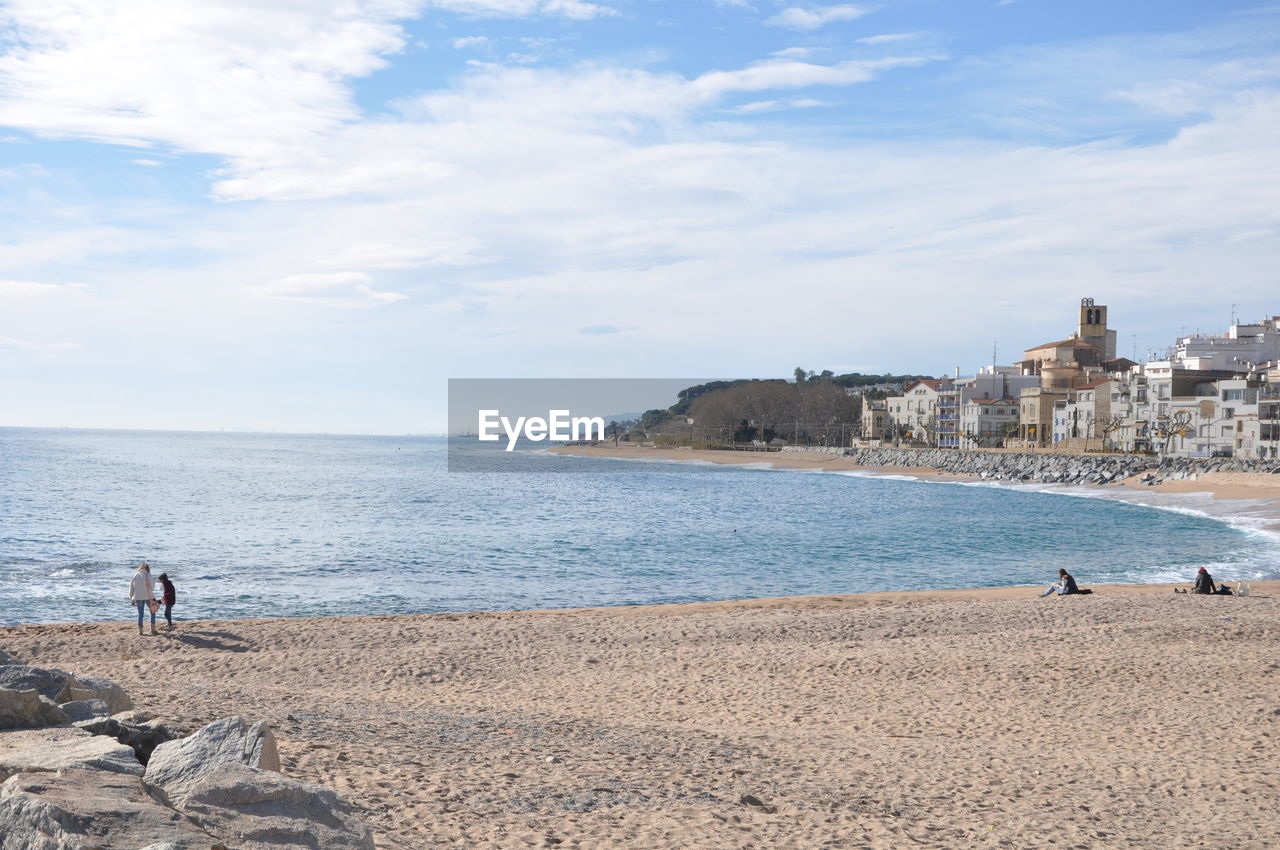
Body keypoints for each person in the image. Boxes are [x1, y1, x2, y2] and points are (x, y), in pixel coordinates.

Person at [129, 562, 157, 636]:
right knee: (153, 612)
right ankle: (153, 629)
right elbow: (152, 587)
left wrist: (132, 598)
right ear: (147, 569)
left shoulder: (135, 575)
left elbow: (131, 589)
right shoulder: (148, 575)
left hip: (138, 597)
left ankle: (140, 631)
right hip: (149, 597)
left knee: (140, 614)